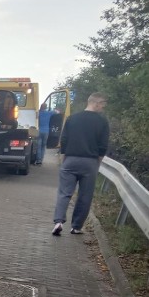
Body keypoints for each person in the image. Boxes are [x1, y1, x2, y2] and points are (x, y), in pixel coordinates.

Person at [51, 93, 109, 236]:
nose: (103, 108)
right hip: (90, 162)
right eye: (102, 104)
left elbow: (64, 139)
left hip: (70, 159)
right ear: (96, 103)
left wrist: (64, 158)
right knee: (85, 195)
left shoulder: (72, 119)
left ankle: (58, 221)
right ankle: (76, 227)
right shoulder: (102, 122)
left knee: (64, 193)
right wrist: (98, 163)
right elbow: (103, 146)